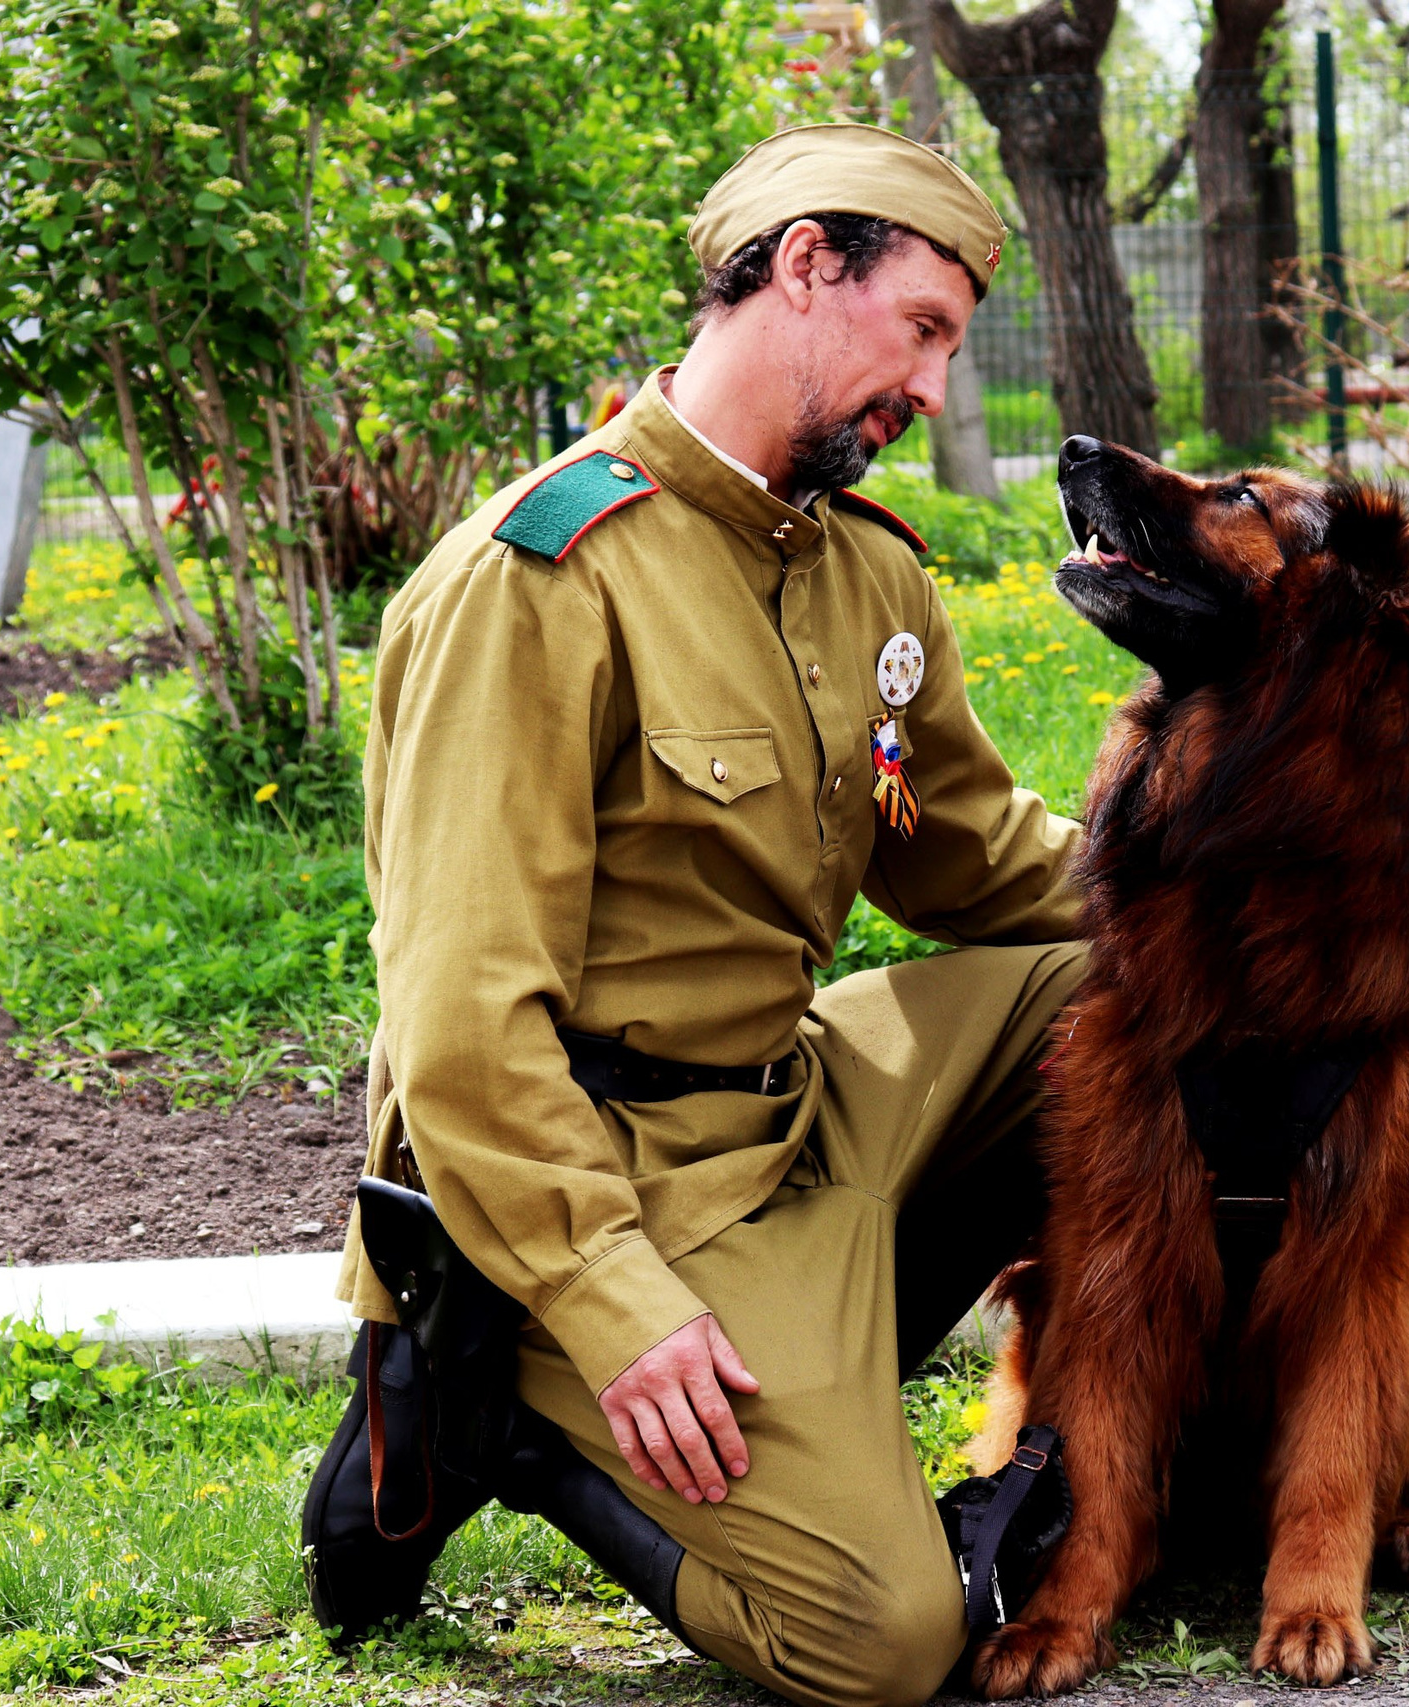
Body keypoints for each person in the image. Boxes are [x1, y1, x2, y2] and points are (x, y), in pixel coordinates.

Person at [298, 125, 1087, 1707]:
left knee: (1126, 983)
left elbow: (979, 858)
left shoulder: (864, 572)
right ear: (806, 267)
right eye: (922, 328)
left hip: (794, 1110)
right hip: (608, 1181)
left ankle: (822, 1359)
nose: (933, 387)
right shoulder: (537, 582)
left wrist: (1256, 891)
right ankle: (504, 1405)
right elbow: (457, 1025)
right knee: (883, 1641)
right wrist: (612, 1304)